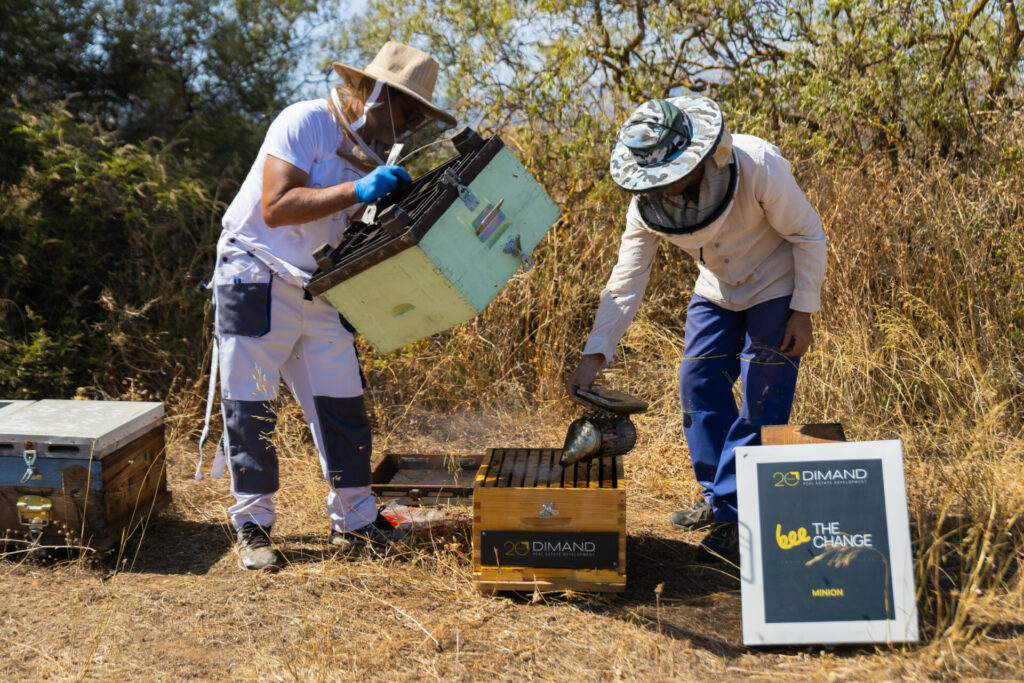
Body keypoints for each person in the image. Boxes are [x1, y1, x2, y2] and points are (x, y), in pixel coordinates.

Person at [199, 42, 457, 571]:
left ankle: (356, 520)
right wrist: (358, 189)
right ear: (377, 92)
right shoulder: (306, 121)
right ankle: (252, 525)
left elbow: (346, 230)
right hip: (254, 271)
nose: (412, 125)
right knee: (250, 404)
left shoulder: (378, 153)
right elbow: (276, 207)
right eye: (409, 110)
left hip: (317, 285)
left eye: (420, 116)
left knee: (342, 402)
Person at [566, 95, 826, 563]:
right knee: (697, 384)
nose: (664, 186)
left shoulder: (757, 164)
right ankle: (718, 499)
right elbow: (627, 279)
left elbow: (808, 234)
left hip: (775, 280)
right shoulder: (645, 207)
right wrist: (594, 355)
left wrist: (803, 311)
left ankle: (735, 513)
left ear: (696, 155)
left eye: (671, 174)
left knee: (762, 393)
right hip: (716, 287)